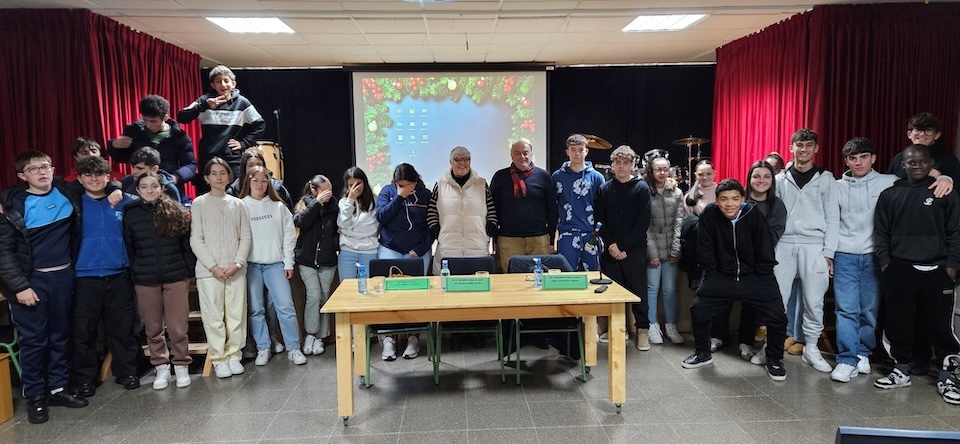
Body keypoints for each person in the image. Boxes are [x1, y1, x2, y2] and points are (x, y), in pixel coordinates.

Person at [0, 151, 89, 424]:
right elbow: (3, 251)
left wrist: (115, 192)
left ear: (53, 169)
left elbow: (99, 181)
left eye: (45, 166)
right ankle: (36, 396)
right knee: (34, 342)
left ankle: (58, 388)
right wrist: (20, 287)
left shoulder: (67, 191)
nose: (41, 172)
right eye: (33, 169)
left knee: (60, 336)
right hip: (32, 283)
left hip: (64, 278)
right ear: (22, 176)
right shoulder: (13, 204)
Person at [873, 143, 960, 406]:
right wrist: (887, 264)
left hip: (938, 270)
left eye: (922, 161)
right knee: (900, 323)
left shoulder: (945, 192)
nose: (917, 165)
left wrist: (950, 266)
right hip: (899, 269)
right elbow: (882, 234)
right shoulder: (890, 194)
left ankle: (948, 375)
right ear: (904, 164)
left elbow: (956, 232)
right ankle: (901, 369)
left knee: (941, 326)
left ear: (930, 162)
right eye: (912, 162)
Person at [680, 179, 788, 382]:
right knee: (699, 310)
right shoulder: (709, 214)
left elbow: (765, 248)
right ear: (717, 200)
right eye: (724, 199)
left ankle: (774, 359)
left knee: (778, 318)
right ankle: (703, 354)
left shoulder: (753, 214)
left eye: (735, 199)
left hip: (756, 277)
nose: (729, 204)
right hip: (720, 276)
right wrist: (712, 273)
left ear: (742, 199)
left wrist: (762, 276)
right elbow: (705, 248)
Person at [70, 156, 142, 397]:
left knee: (122, 328)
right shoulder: (74, 205)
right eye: (88, 175)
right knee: (84, 331)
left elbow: (150, 197)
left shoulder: (124, 202)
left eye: (99, 175)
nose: (94, 179)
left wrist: (118, 190)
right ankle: (85, 379)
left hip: (118, 274)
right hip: (84, 277)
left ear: (108, 177)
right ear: (80, 179)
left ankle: (127, 372)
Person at [774, 128, 838, 374]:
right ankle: (773, 345)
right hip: (785, 244)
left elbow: (833, 218)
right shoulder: (780, 179)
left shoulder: (826, 178)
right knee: (777, 299)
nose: (804, 150)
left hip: (814, 245)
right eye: (799, 145)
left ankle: (811, 347)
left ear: (816, 149)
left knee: (813, 301)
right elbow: (774, 216)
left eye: (808, 145)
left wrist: (828, 253)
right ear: (791, 148)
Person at [123, 171, 196, 390]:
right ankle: (161, 367)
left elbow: (186, 247)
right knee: (153, 327)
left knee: (177, 327)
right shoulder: (131, 214)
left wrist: (188, 272)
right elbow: (129, 247)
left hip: (175, 276)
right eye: (144, 187)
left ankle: (181, 365)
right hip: (146, 278)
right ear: (137, 190)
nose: (149, 190)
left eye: (153, 186)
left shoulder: (176, 211)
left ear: (161, 187)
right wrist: (136, 270)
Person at [190, 157, 252, 379]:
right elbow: (196, 239)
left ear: (229, 176)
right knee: (214, 316)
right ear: (206, 178)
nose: (218, 176)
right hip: (209, 272)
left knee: (236, 315)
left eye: (222, 172)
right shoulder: (199, 203)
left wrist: (237, 263)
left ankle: (234, 355)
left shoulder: (238, 204)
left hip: (235, 269)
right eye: (213, 173)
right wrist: (214, 266)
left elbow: (245, 237)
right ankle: (219, 358)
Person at [240, 166, 306, 366]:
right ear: (248, 182)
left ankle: (293, 348)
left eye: (263, 181)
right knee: (255, 310)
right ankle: (263, 347)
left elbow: (288, 236)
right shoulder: (241, 205)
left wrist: (288, 262)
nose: (260, 185)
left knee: (285, 307)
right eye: (255, 180)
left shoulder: (278, 207)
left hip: (276, 264)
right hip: (251, 265)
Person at [595, 146, 652, 351]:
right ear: (612, 165)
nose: (621, 166)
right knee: (613, 292)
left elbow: (643, 222)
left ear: (632, 165)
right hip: (610, 250)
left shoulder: (642, 188)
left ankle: (642, 331)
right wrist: (611, 245)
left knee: (638, 293)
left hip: (634, 250)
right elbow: (599, 220)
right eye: (617, 162)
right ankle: (616, 329)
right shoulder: (605, 189)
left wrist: (623, 246)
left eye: (625, 162)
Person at [374, 163, 433, 356]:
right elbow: (382, 217)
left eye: (406, 185)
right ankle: (389, 338)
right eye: (399, 184)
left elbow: (432, 224)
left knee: (415, 294)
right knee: (389, 292)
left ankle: (413, 337)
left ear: (415, 181)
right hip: (391, 248)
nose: (403, 187)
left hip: (417, 250)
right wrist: (399, 197)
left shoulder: (425, 194)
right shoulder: (388, 191)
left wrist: (421, 247)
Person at [177, 65, 265, 192]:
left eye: (226, 81)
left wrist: (243, 143)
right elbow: (182, 117)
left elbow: (260, 125)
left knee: (235, 192)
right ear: (213, 85)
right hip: (209, 155)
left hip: (232, 158)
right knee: (208, 193)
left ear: (233, 84)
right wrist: (203, 106)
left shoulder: (242, 102)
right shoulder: (205, 100)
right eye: (218, 81)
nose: (223, 84)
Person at [108, 94, 196, 204]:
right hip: (140, 189)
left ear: (165, 117)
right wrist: (114, 145)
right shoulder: (134, 131)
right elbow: (122, 157)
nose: (148, 125)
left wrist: (175, 178)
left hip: (167, 189)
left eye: (153, 121)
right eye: (145, 120)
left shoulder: (180, 137)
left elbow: (190, 165)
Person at [427, 146, 498, 276]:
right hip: (448, 247)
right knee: (447, 289)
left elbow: (491, 210)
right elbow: (432, 212)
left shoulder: (482, 184)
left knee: (478, 288)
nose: (462, 163)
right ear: (450, 162)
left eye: (466, 159)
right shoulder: (440, 184)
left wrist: (490, 229)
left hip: (477, 245)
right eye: (458, 160)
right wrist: (438, 233)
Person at [490, 141, 557, 272]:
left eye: (525, 153)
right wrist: (494, 241)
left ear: (531, 154)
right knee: (511, 282)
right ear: (511, 156)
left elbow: (552, 210)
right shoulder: (500, 177)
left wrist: (551, 240)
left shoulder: (544, 176)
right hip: (508, 240)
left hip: (539, 240)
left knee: (539, 281)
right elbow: (493, 210)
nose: (522, 156)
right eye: (517, 153)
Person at [293, 175, 339, 356]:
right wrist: (317, 204)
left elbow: (338, 229)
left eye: (330, 190)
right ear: (314, 191)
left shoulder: (335, 206)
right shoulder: (304, 204)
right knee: (313, 294)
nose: (329, 194)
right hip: (306, 259)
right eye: (324, 190)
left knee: (325, 297)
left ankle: (321, 336)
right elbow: (301, 222)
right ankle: (310, 334)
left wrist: (334, 244)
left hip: (327, 259)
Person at [643, 156, 685, 345]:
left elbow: (679, 223)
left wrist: (676, 249)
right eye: (658, 169)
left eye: (665, 169)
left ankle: (671, 325)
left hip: (671, 247)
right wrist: (652, 253)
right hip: (652, 246)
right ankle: (652, 325)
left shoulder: (676, 192)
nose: (662, 173)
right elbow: (645, 226)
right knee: (652, 289)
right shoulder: (644, 191)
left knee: (670, 289)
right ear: (651, 171)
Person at [553, 134, 605, 273]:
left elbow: (602, 207)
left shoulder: (597, 177)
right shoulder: (557, 176)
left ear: (586, 151)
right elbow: (553, 205)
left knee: (594, 276)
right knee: (566, 277)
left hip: (590, 234)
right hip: (567, 234)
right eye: (573, 149)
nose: (577, 153)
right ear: (567, 152)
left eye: (581, 150)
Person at [887, 112, 960, 182]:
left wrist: (943, 178)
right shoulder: (898, 159)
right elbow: (887, 185)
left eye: (928, 130)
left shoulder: (949, 160)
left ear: (937, 135)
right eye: (918, 129)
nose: (922, 134)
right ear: (909, 134)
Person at [227, 148, 293, 210]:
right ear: (244, 168)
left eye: (259, 164)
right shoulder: (235, 189)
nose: (255, 168)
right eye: (251, 165)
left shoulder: (276, 187)